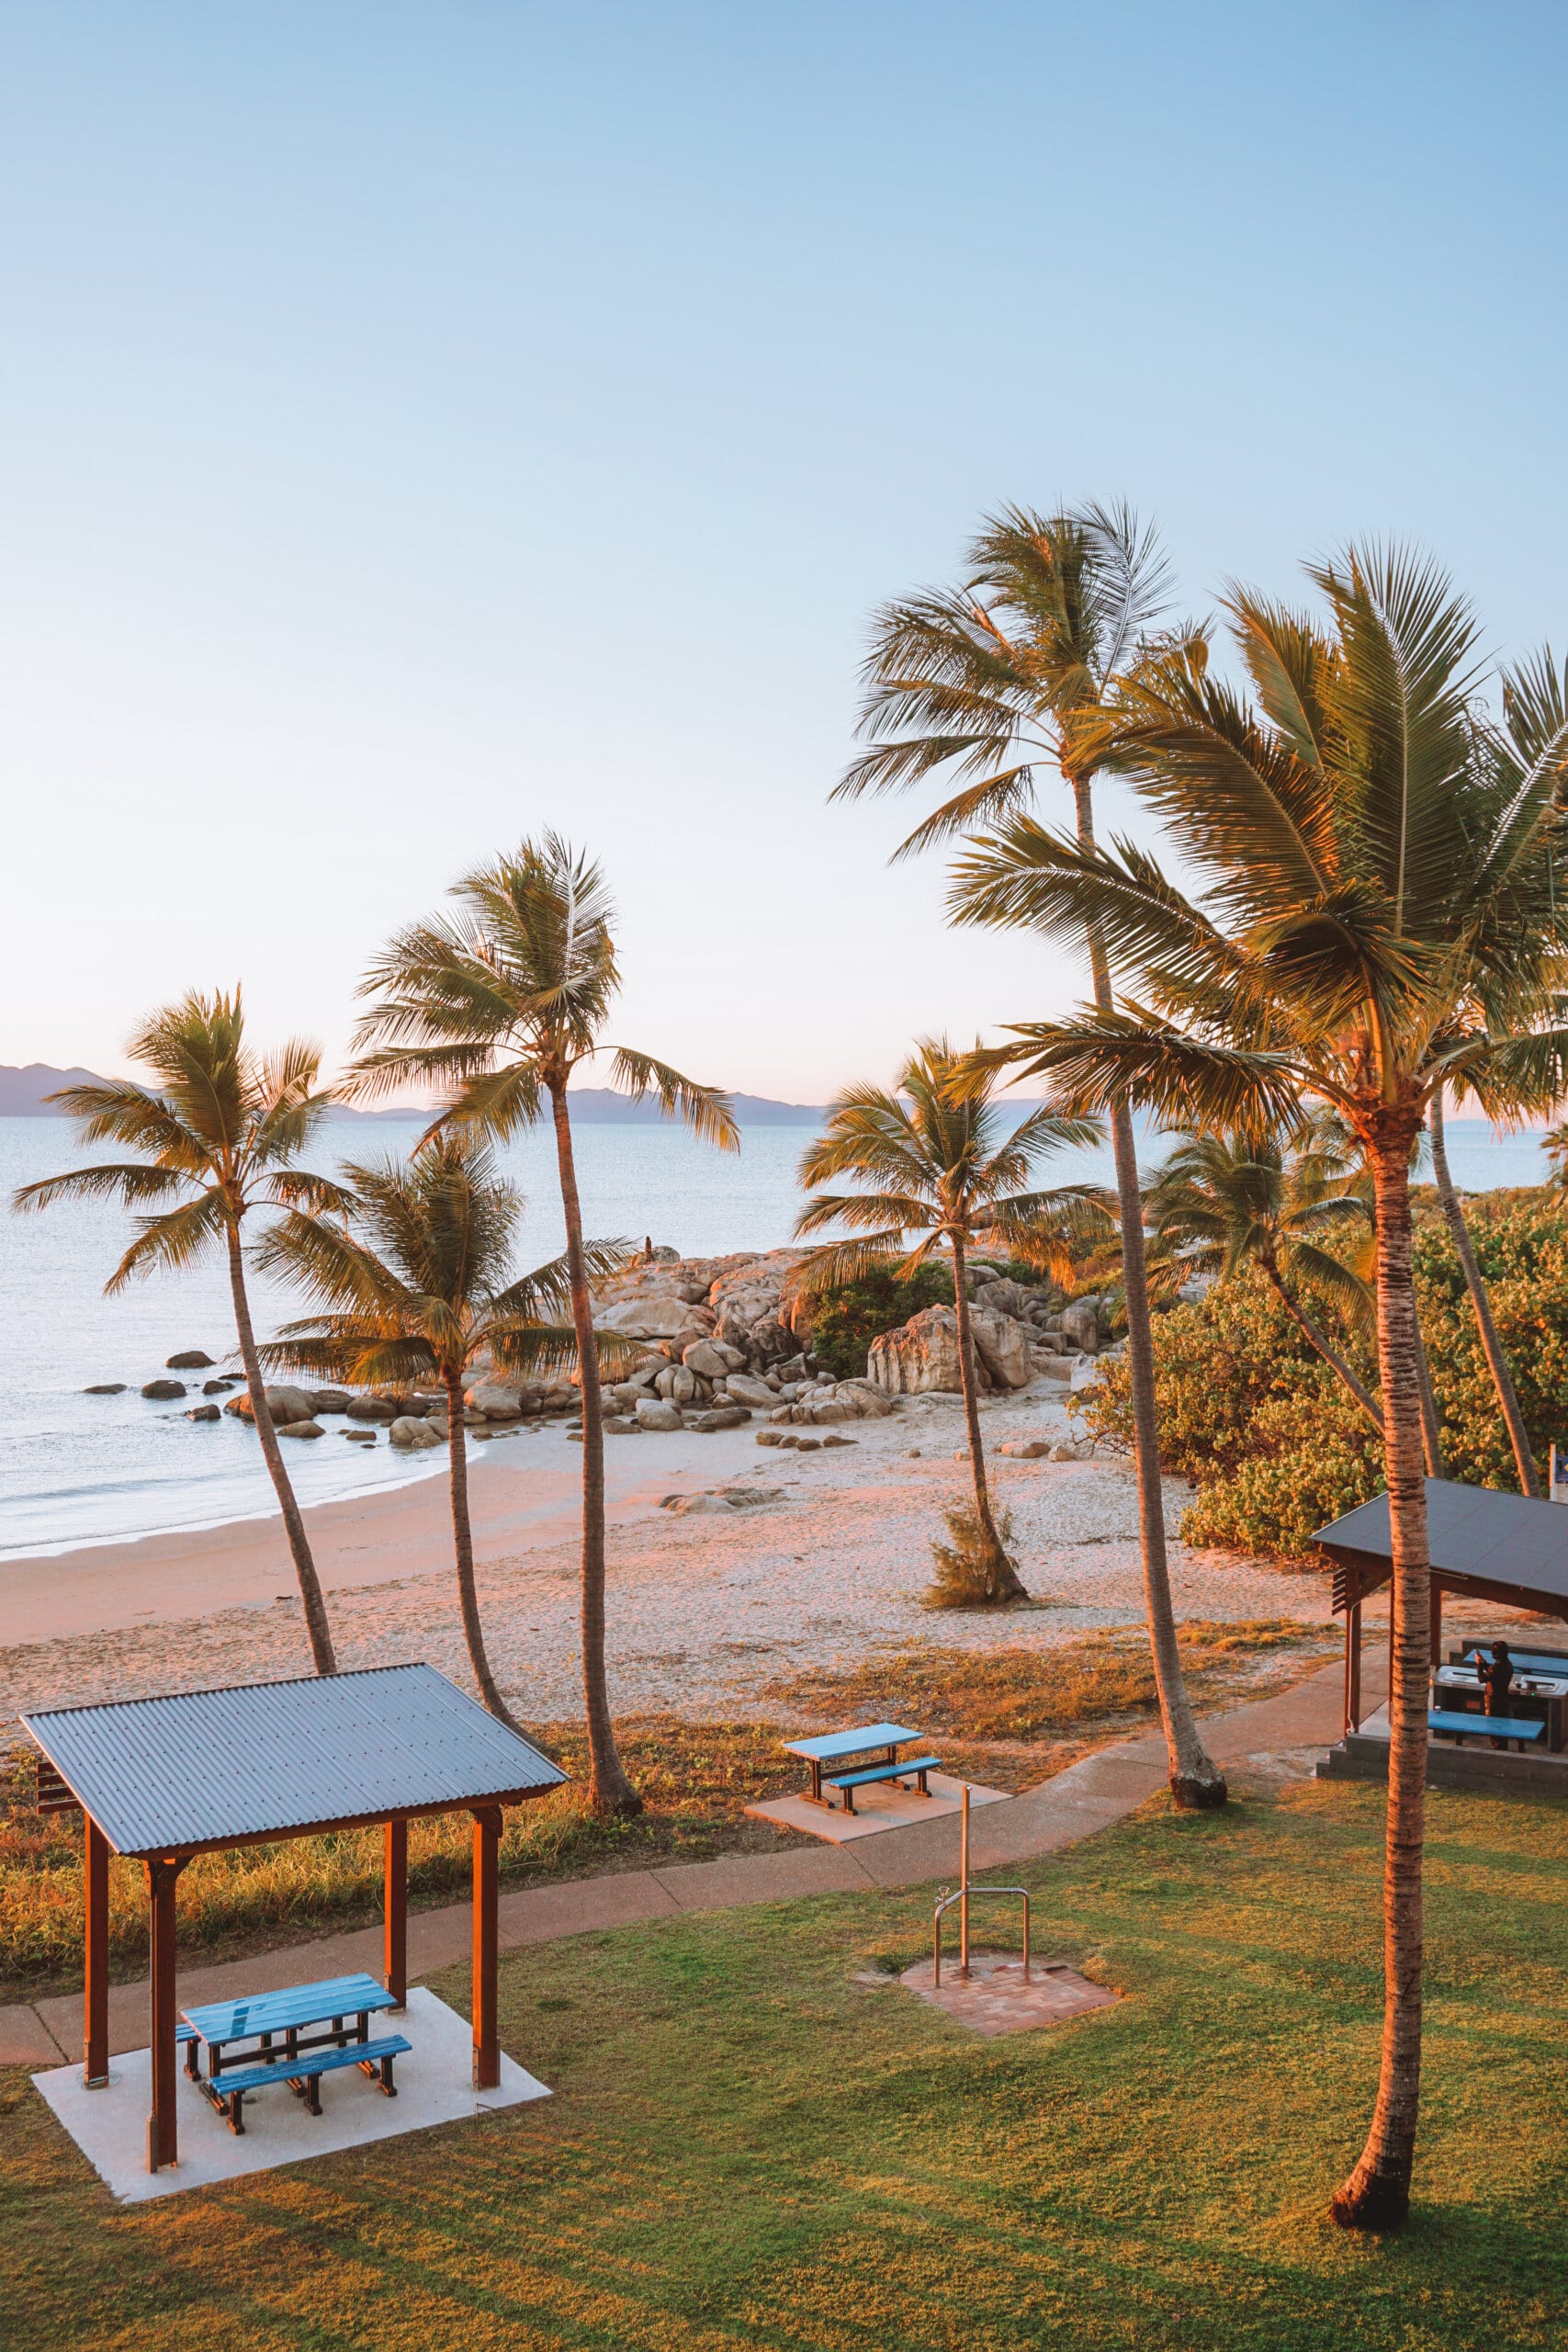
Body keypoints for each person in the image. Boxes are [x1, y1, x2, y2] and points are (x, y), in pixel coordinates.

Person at [1481, 1639, 1514, 1748]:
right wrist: (1484, 1664)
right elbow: (1492, 1672)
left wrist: (1479, 1665)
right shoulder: (1507, 1664)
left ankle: (1497, 1748)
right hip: (1503, 1698)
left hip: (1494, 1700)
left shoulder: (1497, 1668)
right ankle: (1502, 1747)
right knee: (1502, 1726)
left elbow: (1482, 1678)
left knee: (1494, 1726)